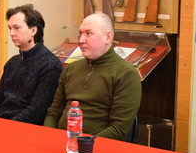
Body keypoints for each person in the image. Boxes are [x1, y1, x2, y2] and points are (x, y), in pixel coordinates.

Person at [43, 12, 141, 140]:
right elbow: (53, 113)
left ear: (108, 37)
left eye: (88, 33)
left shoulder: (126, 74)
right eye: (80, 33)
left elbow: (119, 129)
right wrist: (48, 137)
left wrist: (82, 145)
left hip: (95, 147)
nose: (81, 40)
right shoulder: (71, 69)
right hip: (60, 142)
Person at [0, 4, 62, 125]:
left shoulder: (50, 65)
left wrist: (3, 126)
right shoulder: (12, 62)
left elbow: (37, 111)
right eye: (10, 28)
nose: (11, 33)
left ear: (33, 30)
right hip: (0, 123)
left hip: (24, 128)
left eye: (17, 28)